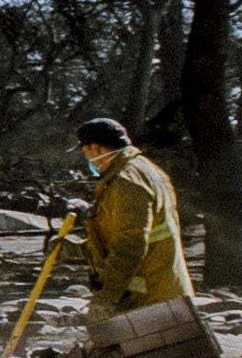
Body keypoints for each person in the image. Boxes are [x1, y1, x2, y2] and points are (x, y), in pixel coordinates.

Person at [65, 116, 192, 319]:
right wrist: (78, 249)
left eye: (85, 152)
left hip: (148, 298)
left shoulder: (127, 182)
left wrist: (106, 298)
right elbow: (120, 234)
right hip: (159, 291)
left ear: (96, 148)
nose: (87, 159)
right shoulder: (144, 170)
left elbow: (129, 245)